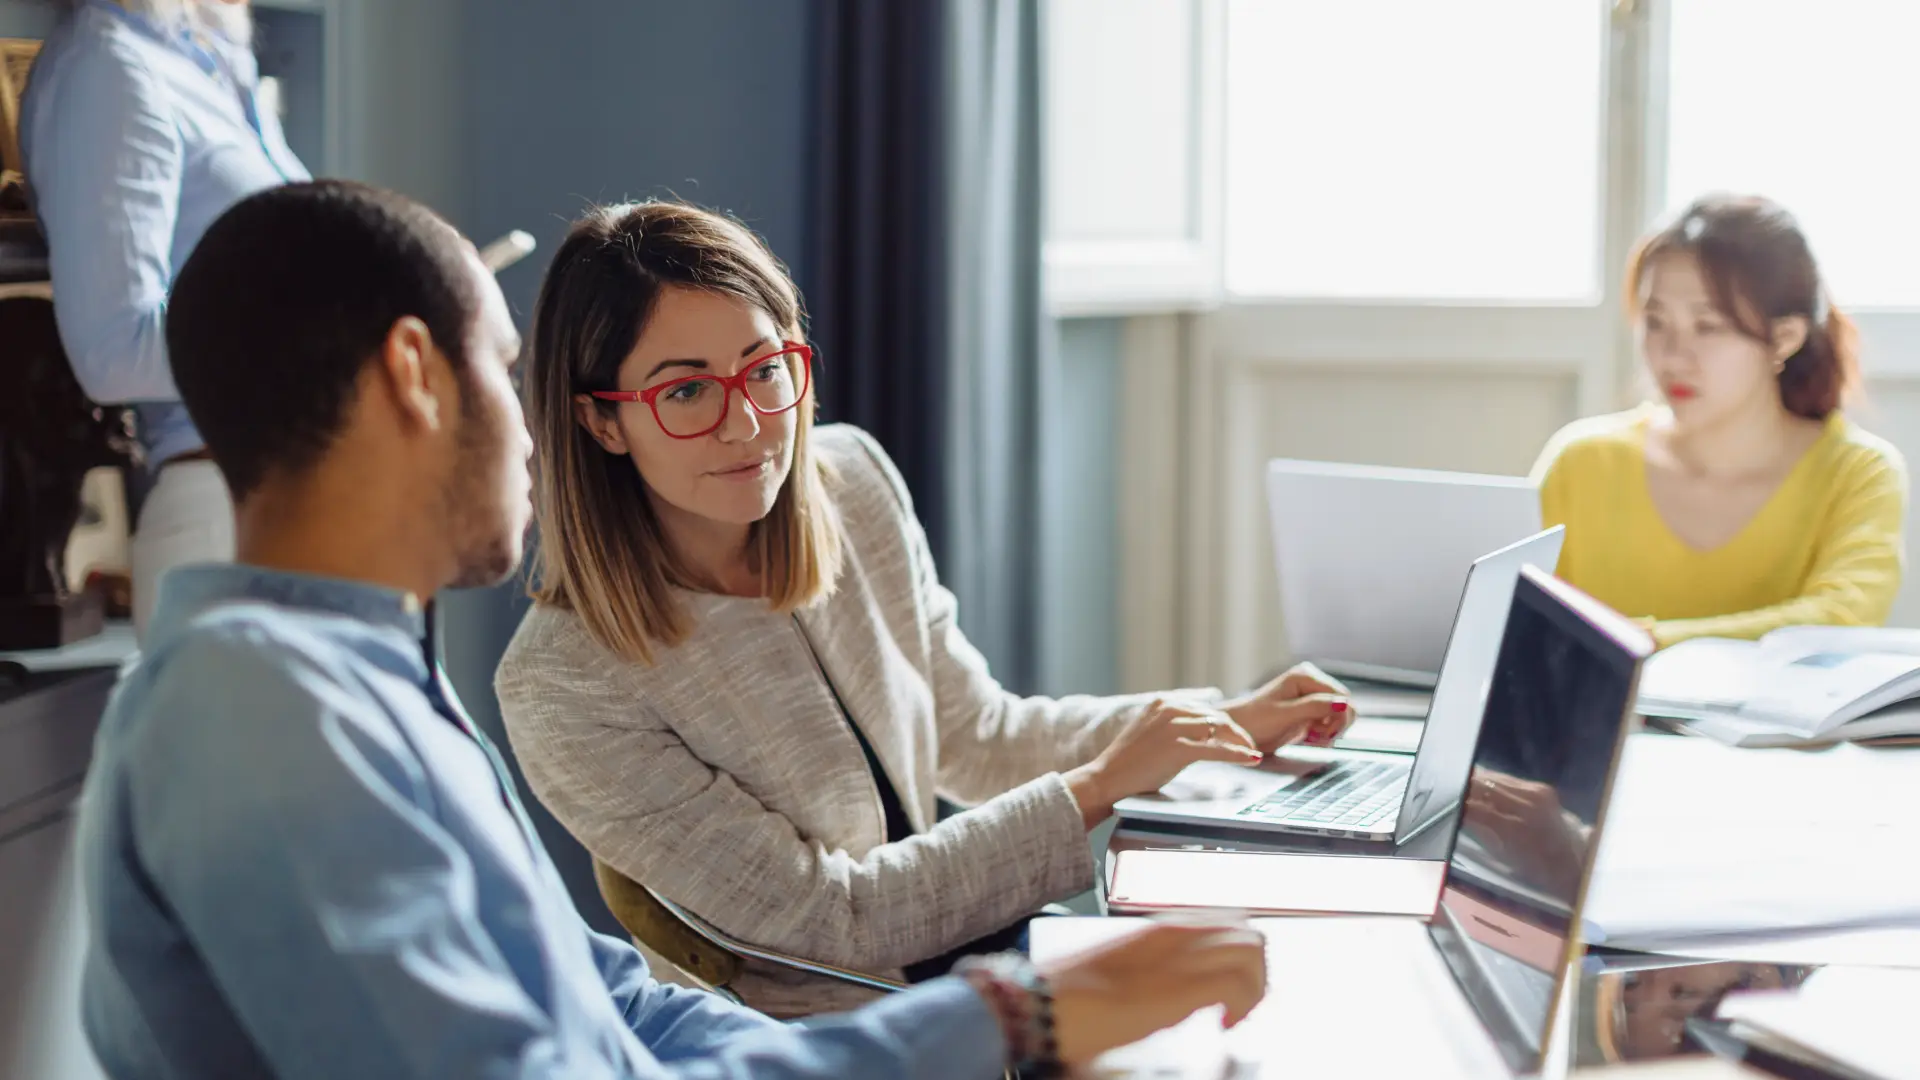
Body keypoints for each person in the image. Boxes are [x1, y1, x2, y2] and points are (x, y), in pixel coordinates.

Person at [76, 179, 1270, 1080]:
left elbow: (615, 1005)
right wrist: (1017, 1020)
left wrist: (1002, 1016)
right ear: (414, 377)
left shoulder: (353, 678)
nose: (532, 432)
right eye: (502, 366)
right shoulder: (259, 719)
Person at [494, 200, 1353, 1016]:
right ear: (602, 423)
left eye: (764, 371)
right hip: (842, 1038)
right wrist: (1099, 787)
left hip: (988, 962)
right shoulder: (564, 684)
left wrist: (1217, 723)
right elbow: (840, 921)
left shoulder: (851, 484)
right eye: (686, 392)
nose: (749, 424)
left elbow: (977, 734)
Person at [21, 0, 307, 635]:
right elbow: (112, 349)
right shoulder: (110, 65)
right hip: (229, 514)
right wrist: (324, 337)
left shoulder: (208, 59)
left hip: (292, 500)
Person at [1533, 194, 1907, 648]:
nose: (1672, 356)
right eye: (1655, 322)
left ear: (1784, 338)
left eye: (1707, 326)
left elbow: (1838, 621)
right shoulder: (1581, 463)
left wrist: (1639, 643)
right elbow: (1512, 617)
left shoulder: (1857, 473)